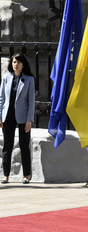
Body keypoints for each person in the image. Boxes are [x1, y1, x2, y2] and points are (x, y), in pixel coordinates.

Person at [0, 53, 35, 184]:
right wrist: (0, 116)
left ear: (23, 64)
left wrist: (29, 120)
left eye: (19, 62)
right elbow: (1, 98)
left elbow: (31, 101)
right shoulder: (5, 78)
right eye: (14, 62)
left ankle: (26, 175)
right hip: (7, 116)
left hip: (23, 116)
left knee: (24, 145)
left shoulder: (29, 79)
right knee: (7, 145)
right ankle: (5, 175)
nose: (16, 64)